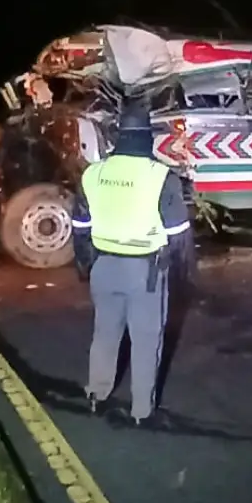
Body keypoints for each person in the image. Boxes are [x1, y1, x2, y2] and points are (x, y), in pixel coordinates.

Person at [70, 99, 196, 427]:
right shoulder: (160, 176)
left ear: (117, 136)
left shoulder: (93, 174)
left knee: (105, 333)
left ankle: (97, 394)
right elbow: (178, 235)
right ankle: (142, 410)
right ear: (147, 137)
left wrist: (85, 265)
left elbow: (80, 226)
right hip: (145, 272)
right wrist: (184, 276)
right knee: (146, 339)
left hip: (103, 268)